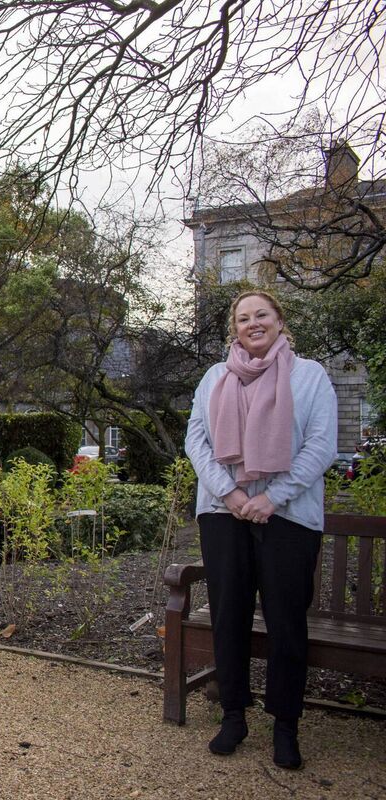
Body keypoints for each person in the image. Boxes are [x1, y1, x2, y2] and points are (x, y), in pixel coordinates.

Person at [184, 289, 336, 770]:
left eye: (261, 315)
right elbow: (197, 440)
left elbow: (321, 446)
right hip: (223, 512)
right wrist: (231, 495)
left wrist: (272, 497)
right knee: (228, 615)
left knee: (286, 622)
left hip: (287, 516)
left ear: (278, 320)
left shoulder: (310, 377)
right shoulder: (214, 378)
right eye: (243, 317)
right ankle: (234, 715)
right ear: (235, 328)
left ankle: (285, 726)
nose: (253, 323)